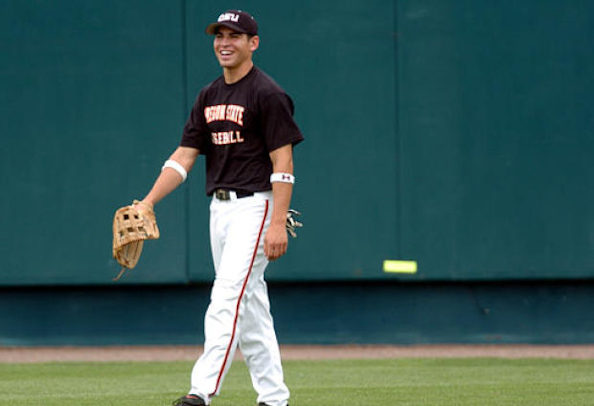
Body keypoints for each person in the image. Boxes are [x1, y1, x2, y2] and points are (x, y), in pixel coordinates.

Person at [136, 9, 303, 406]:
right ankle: (274, 398)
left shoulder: (268, 94)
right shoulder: (209, 95)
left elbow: (283, 163)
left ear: (253, 43)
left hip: (256, 208)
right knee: (251, 305)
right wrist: (148, 201)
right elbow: (184, 157)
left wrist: (277, 222)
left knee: (227, 296)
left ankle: (201, 392)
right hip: (221, 210)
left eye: (235, 36)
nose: (224, 43)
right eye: (219, 35)